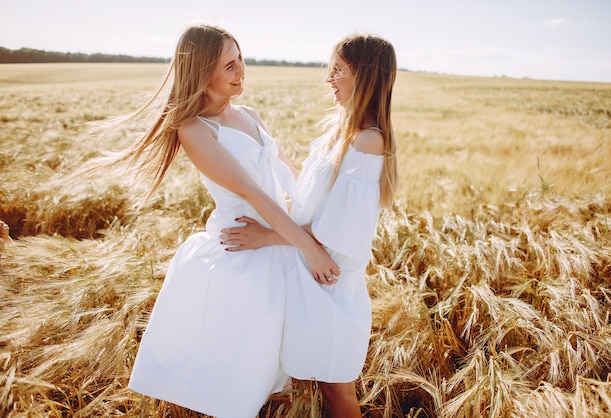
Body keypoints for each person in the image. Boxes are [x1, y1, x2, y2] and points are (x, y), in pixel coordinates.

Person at [82, 24, 340, 417]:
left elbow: (287, 174)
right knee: (237, 371)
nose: (242, 71)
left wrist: (319, 223)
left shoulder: (251, 114)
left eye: (241, 60)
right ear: (203, 73)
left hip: (274, 240)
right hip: (240, 251)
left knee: (276, 364)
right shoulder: (193, 129)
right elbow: (253, 192)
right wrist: (309, 247)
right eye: (230, 65)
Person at [221, 33, 398, 417]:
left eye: (338, 71)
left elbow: (338, 228)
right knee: (321, 380)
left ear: (365, 77)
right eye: (330, 69)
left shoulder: (369, 142)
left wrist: (265, 235)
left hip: (330, 282)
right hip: (306, 271)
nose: (329, 79)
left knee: (337, 390)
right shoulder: (341, 131)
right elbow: (313, 199)